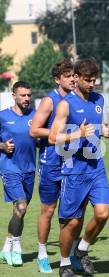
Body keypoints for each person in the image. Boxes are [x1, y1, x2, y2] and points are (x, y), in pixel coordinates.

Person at [49, 58, 109, 277]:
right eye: (88, 80)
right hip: (73, 170)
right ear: (75, 78)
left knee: (103, 214)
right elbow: (52, 137)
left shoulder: (99, 99)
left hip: (96, 168)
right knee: (72, 222)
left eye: (95, 79)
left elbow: (96, 126)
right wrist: (77, 133)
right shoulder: (66, 103)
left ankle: (82, 248)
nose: (92, 84)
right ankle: (65, 263)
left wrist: (104, 130)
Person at [29, 60, 83, 273]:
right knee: (49, 209)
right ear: (57, 79)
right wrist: (59, 134)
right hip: (51, 162)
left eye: (74, 75)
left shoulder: (78, 99)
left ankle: (68, 255)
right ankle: (42, 253)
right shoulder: (50, 101)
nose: (72, 78)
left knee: (71, 213)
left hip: (74, 162)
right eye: (68, 75)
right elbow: (34, 130)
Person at [0, 81, 36, 267]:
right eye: (22, 95)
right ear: (13, 95)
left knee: (19, 211)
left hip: (29, 169)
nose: (26, 98)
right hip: (9, 168)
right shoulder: (3, 116)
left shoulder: (35, 115)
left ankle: (6, 247)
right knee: (21, 207)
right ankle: (17, 247)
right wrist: (2, 146)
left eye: (29, 95)